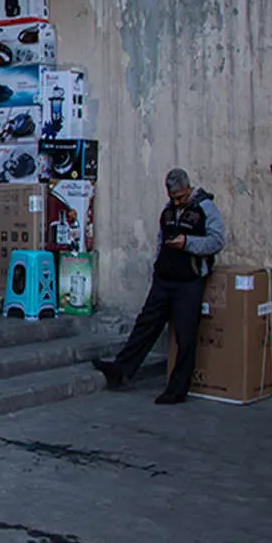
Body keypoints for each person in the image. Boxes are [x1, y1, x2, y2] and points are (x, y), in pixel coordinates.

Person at [92, 168, 225, 404]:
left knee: (185, 335)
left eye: (181, 197)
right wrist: (158, 263)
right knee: (146, 324)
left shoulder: (205, 208)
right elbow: (161, 239)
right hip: (165, 278)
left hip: (189, 281)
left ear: (188, 189)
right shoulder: (168, 210)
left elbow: (216, 241)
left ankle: (177, 390)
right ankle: (121, 369)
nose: (177, 202)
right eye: (173, 198)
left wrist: (187, 243)